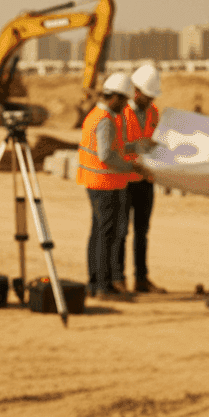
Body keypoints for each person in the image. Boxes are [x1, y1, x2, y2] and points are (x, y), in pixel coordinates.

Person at [77, 72, 143, 299]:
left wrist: (137, 146)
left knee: (98, 233)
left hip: (96, 183)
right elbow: (106, 155)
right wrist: (131, 168)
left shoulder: (96, 115)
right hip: (104, 184)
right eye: (124, 100)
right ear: (114, 97)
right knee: (106, 235)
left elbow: (115, 147)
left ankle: (95, 283)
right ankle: (103, 286)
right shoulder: (105, 120)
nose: (126, 106)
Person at [117, 64, 165, 293]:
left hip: (145, 179)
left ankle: (141, 278)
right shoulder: (121, 111)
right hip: (125, 178)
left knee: (142, 232)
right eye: (148, 95)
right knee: (121, 231)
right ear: (136, 90)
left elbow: (152, 138)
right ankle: (118, 278)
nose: (150, 100)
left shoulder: (154, 112)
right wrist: (136, 146)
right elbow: (113, 147)